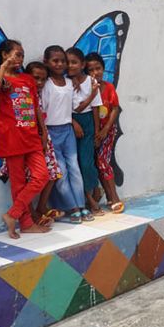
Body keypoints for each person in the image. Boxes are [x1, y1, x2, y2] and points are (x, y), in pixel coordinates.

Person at [0, 40, 51, 239]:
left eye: (22, 55)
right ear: (5, 55)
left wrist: (44, 132)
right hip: (11, 138)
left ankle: (12, 214)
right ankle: (25, 224)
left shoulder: (27, 80)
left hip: (31, 137)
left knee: (42, 176)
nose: (20, 59)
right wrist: (3, 68)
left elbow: (36, 107)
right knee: (18, 184)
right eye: (16, 54)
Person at [41, 45, 90, 224]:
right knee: (60, 172)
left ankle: (81, 204)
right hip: (52, 133)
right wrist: (44, 134)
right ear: (46, 62)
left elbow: (70, 108)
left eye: (63, 60)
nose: (60, 64)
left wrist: (72, 121)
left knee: (74, 169)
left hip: (67, 131)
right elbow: (43, 111)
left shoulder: (70, 83)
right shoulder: (46, 85)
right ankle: (72, 207)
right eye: (55, 60)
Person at [25, 61, 65, 222]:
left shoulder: (39, 94)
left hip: (43, 138)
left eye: (43, 79)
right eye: (36, 78)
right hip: (28, 141)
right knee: (29, 178)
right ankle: (29, 212)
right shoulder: (25, 95)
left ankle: (41, 206)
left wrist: (44, 134)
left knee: (53, 172)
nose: (40, 83)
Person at [66, 47, 104, 217]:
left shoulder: (90, 81)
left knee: (87, 162)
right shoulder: (66, 83)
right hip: (71, 123)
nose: (70, 66)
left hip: (88, 123)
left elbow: (95, 108)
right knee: (76, 164)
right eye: (68, 63)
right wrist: (74, 123)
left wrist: (96, 131)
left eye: (74, 62)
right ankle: (89, 197)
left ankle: (93, 190)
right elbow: (67, 108)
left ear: (82, 64)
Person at [86, 52, 125, 214]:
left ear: (103, 68)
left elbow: (115, 108)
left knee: (102, 162)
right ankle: (100, 194)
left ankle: (114, 197)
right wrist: (96, 133)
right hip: (91, 132)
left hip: (107, 132)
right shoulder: (85, 88)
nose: (96, 72)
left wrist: (106, 129)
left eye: (98, 68)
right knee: (93, 164)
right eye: (91, 70)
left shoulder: (108, 87)